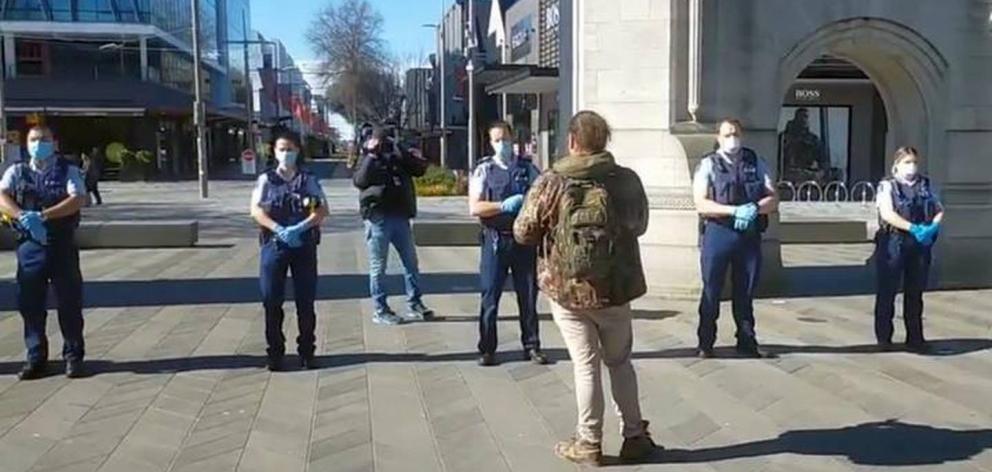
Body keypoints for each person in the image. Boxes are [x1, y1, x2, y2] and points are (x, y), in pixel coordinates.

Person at [514, 111, 657, 466]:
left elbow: (523, 231)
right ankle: (635, 435)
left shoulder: (552, 180)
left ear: (572, 142)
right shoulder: (626, 181)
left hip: (568, 289)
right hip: (616, 287)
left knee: (585, 365)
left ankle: (589, 442)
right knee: (620, 363)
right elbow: (640, 225)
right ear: (605, 141)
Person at [0, 125, 88, 380]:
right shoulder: (18, 171)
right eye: (34, 139)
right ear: (27, 144)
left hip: (61, 243)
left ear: (54, 142)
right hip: (30, 246)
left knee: (69, 302)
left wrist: (44, 215)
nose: (39, 143)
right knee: (30, 304)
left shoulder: (68, 170)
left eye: (44, 139)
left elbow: (78, 198)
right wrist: (21, 215)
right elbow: (1, 194)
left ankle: (73, 356)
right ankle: (35, 357)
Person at [692, 118, 778, 359]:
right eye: (728, 134)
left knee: (746, 290)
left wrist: (753, 208)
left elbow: (773, 198)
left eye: (736, 133)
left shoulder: (755, 161)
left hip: (748, 234)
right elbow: (700, 202)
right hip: (718, 232)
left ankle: (747, 340)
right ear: (718, 138)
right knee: (711, 289)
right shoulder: (709, 164)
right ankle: (706, 342)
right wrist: (733, 211)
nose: (733, 139)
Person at [469, 121, 546, 367]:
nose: (503, 144)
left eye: (505, 138)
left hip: (523, 241)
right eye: (497, 140)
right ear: (491, 143)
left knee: (528, 295)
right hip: (495, 239)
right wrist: (502, 206)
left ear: (513, 139)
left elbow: (542, 197)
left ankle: (532, 346)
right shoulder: (484, 170)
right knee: (490, 296)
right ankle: (488, 348)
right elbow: (475, 207)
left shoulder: (527, 169)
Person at [250, 133, 329, 371]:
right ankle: (275, 352)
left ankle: (307, 351)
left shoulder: (307, 180)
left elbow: (322, 210)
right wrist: (277, 229)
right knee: (272, 301)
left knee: (305, 301)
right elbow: (256, 210)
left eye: (291, 149)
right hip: (274, 246)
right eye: (282, 149)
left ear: (298, 151)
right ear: (274, 151)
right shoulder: (267, 180)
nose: (287, 154)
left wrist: (300, 227)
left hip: (303, 246)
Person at [353, 125, 434, 325]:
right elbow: (360, 180)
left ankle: (415, 302)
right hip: (378, 218)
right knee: (378, 267)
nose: (385, 144)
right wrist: (372, 154)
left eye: (388, 140)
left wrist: (401, 150)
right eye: (383, 140)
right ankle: (380, 309)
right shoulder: (368, 157)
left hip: (401, 216)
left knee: (411, 263)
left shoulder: (399, 157)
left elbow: (419, 170)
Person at [873, 146, 943, 353]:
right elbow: (887, 213)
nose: (911, 166)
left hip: (920, 243)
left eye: (914, 162)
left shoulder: (925, 184)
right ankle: (884, 338)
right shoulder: (888, 186)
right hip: (894, 240)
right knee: (888, 290)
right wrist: (911, 227)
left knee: (915, 291)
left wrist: (932, 227)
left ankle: (915, 338)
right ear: (897, 165)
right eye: (907, 162)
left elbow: (938, 208)